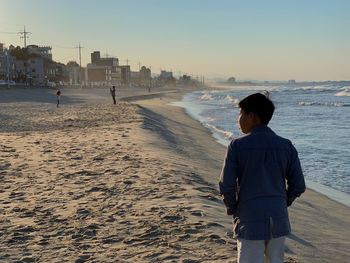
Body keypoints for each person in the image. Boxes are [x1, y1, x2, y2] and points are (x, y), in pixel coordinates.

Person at [219, 93, 305, 263]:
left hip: (249, 218)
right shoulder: (286, 145)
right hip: (278, 218)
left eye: (242, 113)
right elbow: (299, 185)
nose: (239, 118)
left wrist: (233, 208)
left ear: (252, 116)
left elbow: (226, 185)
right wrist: (283, 201)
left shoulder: (237, 146)